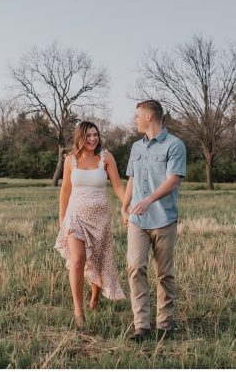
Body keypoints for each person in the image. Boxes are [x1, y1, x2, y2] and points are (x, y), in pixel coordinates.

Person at [123, 100, 187, 342]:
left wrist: (149, 200)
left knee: (164, 274)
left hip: (164, 219)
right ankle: (141, 325)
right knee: (135, 268)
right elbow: (131, 179)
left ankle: (165, 325)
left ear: (149, 117)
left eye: (137, 116)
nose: (135, 120)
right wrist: (124, 206)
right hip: (137, 220)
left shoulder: (175, 145)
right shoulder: (136, 147)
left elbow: (173, 180)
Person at [55, 121, 128, 328]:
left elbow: (118, 186)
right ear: (80, 137)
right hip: (75, 217)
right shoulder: (70, 160)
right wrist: (62, 218)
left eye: (95, 135)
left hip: (100, 219)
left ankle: (95, 297)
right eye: (88, 135)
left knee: (97, 260)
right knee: (78, 260)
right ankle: (78, 312)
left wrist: (127, 207)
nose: (93, 139)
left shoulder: (106, 157)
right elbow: (66, 190)